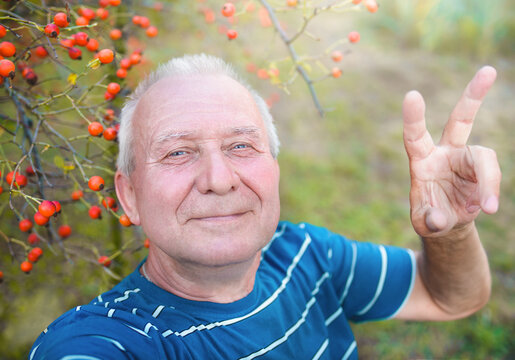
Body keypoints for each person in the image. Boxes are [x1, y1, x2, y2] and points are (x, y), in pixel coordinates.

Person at [29, 54, 501, 359]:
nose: (218, 180)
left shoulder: (304, 254)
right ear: (129, 196)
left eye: (240, 146)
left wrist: (453, 231)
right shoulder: (110, 342)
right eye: (177, 152)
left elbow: (449, 297)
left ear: (274, 169)